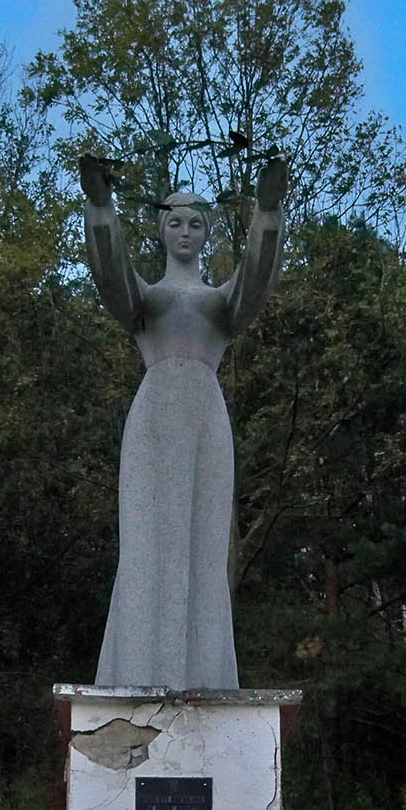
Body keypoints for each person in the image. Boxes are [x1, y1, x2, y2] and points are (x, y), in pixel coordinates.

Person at [80, 153, 287, 689]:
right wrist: (100, 206)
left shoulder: (220, 303)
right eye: (175, 222)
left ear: (208, 234)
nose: (186, 232)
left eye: (196, 224)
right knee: (145, 547)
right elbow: (113, 280)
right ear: (160, 232)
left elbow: (253, 286)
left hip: (205, 421)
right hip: (152, 419)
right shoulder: (148, 298)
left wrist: (268, 211)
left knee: (205, 551)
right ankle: (138, 672)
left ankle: (204, 676)